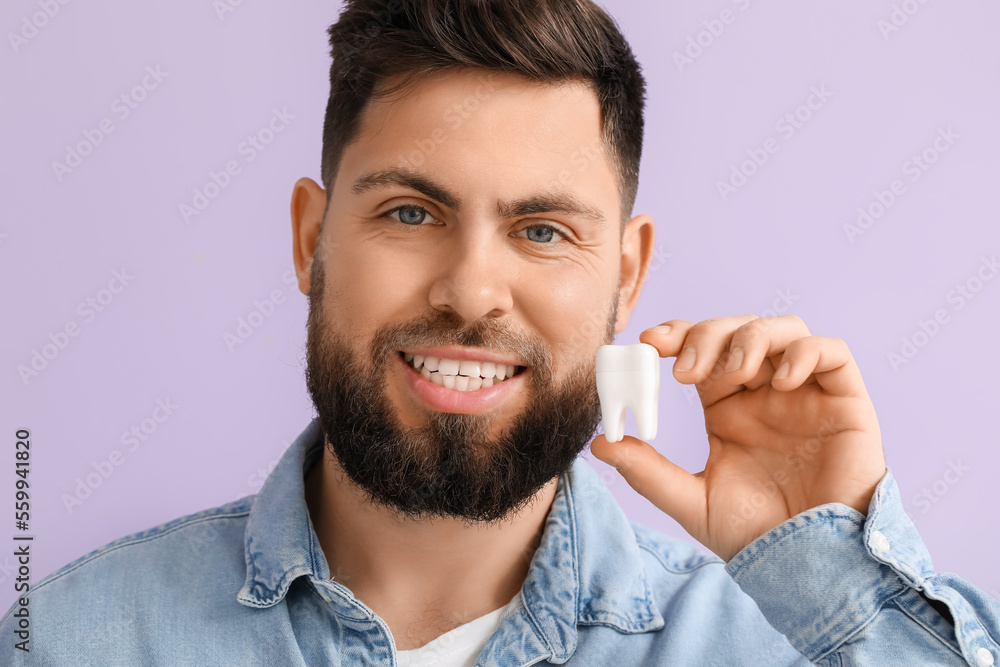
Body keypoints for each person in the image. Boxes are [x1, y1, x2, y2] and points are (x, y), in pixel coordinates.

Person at [4, 0, 999, 664]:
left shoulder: (788, 640)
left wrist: (843, 585)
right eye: (407, 212)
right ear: (312, 238)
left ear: (626, 275)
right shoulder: (73, 638)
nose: (473, 291)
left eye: (542, 230)